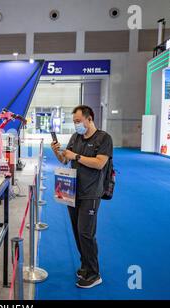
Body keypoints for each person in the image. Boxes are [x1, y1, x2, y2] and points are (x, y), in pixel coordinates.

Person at [51, 105, 113, 289]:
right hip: (72, 190)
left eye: (78, 121)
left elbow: (100, 163)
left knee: (86, 233)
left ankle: (94, 274)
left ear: (89, 119)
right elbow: (64, 159)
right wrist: (57, 151)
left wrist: (76, 156)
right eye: (74, 121)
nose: (76, 124)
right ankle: (85, 266)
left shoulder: (103, 138)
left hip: (91, 192)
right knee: (78, 232)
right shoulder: (75, 137)